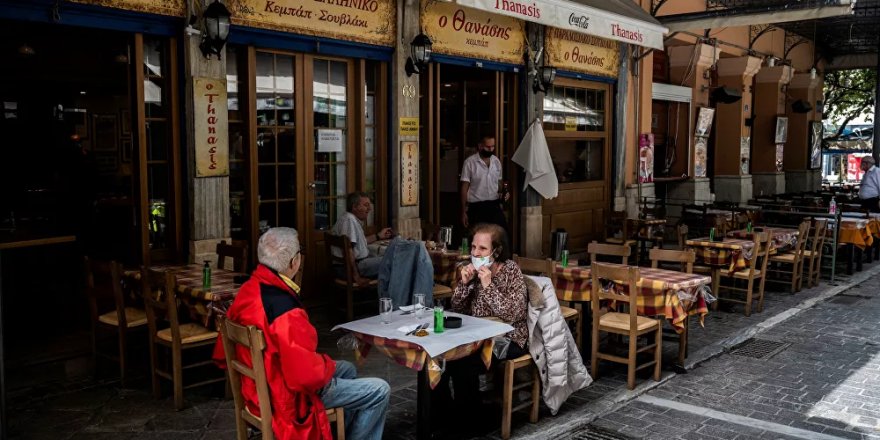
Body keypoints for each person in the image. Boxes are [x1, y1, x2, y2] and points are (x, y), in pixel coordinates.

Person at [213, 227, 390, 440]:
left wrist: (325, 365)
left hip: (257, 390)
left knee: (347, 368)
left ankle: (341, 432)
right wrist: (324, 364)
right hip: (285, 399)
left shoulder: (249, 289)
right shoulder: (286, 312)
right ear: (293, 263)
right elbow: (304, 377)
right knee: (380, 390)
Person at [431, 223, 527, 434]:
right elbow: (457, 307)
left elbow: (514, 314)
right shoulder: (472, 270)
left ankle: (471, 421)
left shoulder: (511, 271)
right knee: (438, 358)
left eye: (482, 249)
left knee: (463, 363)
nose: (475, 253)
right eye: (473, 247)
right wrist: (464, 284)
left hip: (507, 338)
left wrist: (488, 285)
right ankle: (444, 414)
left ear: (497, 250)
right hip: (476, 335)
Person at [331, 192, 393, 283]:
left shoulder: (348, 217)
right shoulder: (349, 220)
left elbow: (358, 243)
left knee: (389, 254)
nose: (370, 209)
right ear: (354, 207)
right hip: (351, 268)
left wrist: (378, 236)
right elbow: (348, 250)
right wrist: (356, 276)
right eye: (366, 205)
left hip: (356, 264)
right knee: (395, 260)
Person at [460, 135, 509, 232]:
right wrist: (463, 211)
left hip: (493, 205)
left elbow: (498, 184)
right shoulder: (470, 163)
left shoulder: (496, 162)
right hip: (476, 207)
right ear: (480, 146)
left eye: (493, 146)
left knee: (502, 234)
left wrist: (504, 193)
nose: (490, 149)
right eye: (488, 147)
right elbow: (464, 188)